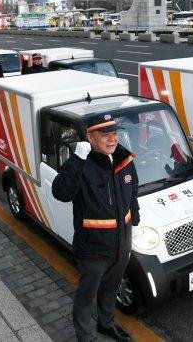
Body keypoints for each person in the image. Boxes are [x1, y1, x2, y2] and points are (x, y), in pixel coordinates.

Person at [52, 114, 139, 342]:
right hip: (93, 247)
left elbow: (133, 191)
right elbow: (61, 192)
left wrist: (135, 219)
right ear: (89, 137)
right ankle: (85, 337)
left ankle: (106, 324)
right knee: (86, 296)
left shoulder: (125, 160)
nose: (112, 140)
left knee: (111, 288)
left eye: (114, 134)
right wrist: (77, 159)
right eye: (105, 134)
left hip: (122, 241)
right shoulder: (81, 165)